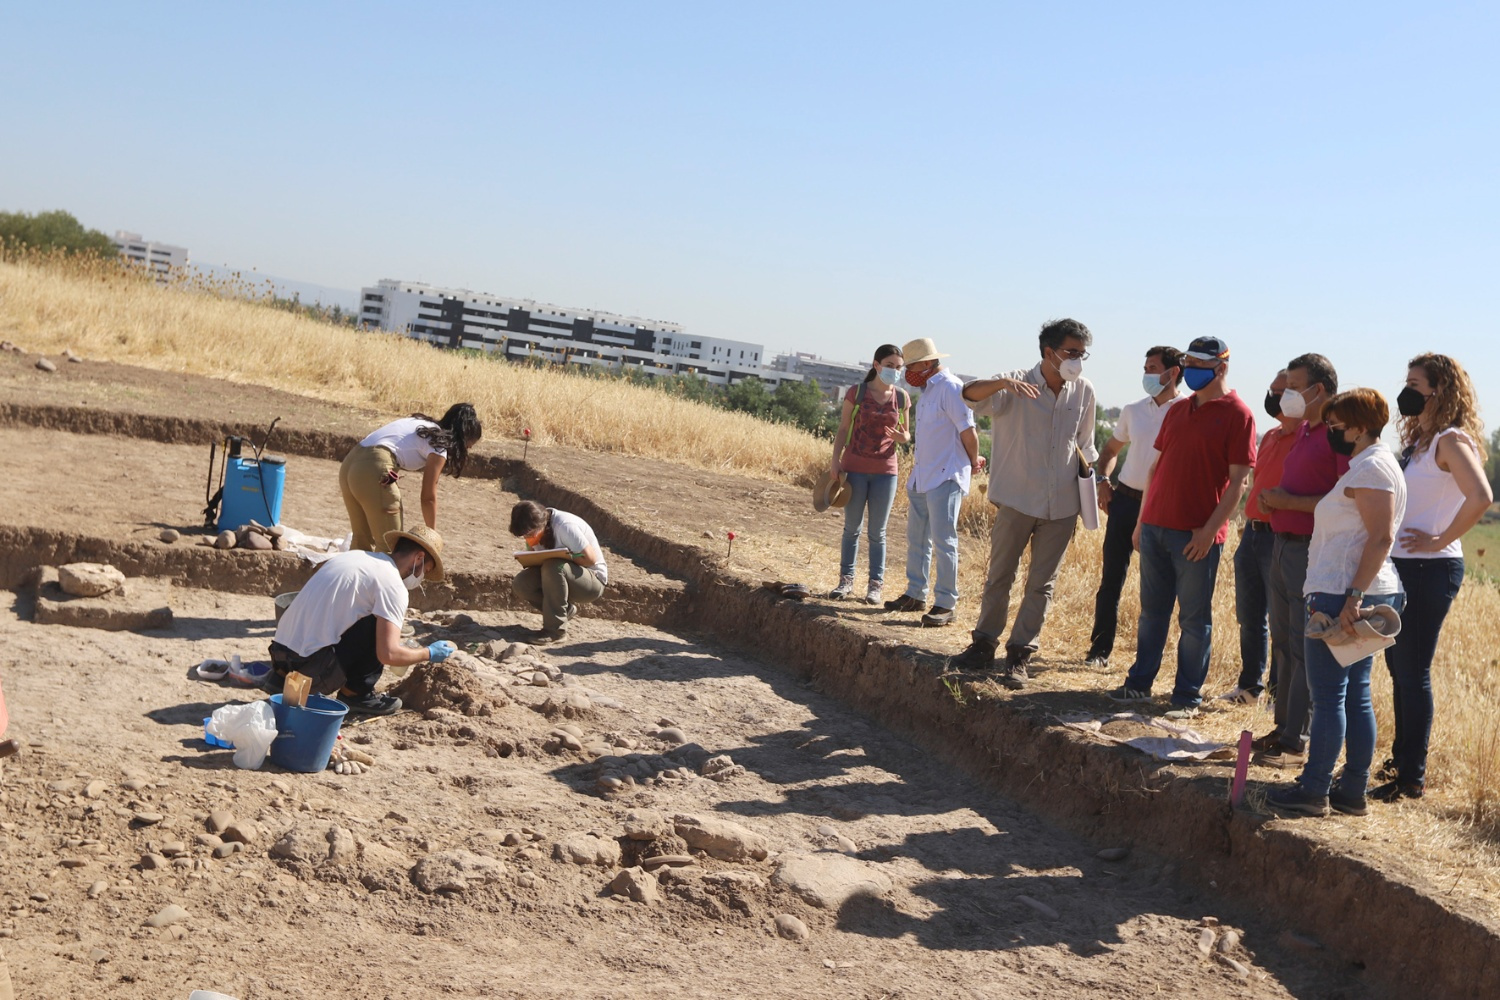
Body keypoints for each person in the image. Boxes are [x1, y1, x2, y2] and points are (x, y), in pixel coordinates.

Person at [1268, 389, 1407, 817]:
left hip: (1342, 595)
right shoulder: (1368, 465)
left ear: (1361, 428)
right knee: (1352, 694)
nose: (1330, 434)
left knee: (1330, 695)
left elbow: (1380, 538)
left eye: (1336, 427)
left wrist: (1353, 597)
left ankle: (1314, 789)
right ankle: (1350, 792)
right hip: (1348, 591)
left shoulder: (1373, 469)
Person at [1108, 336, 1256, 716]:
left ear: (1221, 368)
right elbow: (1156, 469)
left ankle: (1187, 696)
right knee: (1151, 613)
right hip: (1155, 526)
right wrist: (1142, 523)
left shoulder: (1239, 414)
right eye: (1188, 363)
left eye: (1199, 365)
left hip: (1195, 536)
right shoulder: (1178, 410)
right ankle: (1139, 685)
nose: (1190, 371)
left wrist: (1209, 532)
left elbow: (1239, 481)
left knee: (1194, 619)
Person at [949, 319, 1099, 687]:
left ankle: (1019, 654)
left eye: (1082, 354)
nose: (1077, 361)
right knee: (1001, 575)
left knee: (1042, 584)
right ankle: (983, 645)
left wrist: (1092, 489)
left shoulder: (1084, 391)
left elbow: (1086, 445)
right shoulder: (1013, 383)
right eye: (1071, 353)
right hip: (1017, 500)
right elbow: (968, 395)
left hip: (1062, 505)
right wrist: (1003, 383)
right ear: (1049, 352)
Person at [1374, 354, 1491, 801]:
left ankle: (1411, 778)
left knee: (1412, 668)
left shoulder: (1449, 439)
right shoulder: (1421, 441)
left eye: (1415, 383)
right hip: (1404, 566)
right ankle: (1401, 762)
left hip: (1431, 568)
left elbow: (1481, 496)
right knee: (1397, 666)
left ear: (1439, 390)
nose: (1407, 389)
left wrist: (1441, 538)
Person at [1251, 355, 1346, 769]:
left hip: (1311, 549)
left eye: (1293, 386)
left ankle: (1296, 740)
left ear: (1318, 390)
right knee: (1287, 644)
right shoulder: (1305, 430)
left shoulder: (1337, 436)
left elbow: (1347, 498)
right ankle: (1284, 729)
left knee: (1304, 647)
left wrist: (1289, 502)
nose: (1285, 395)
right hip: (1282, 544)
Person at [268, 525, 454, 716]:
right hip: (311, 672)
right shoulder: (393, 585)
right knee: (378, 621)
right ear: (419, 558)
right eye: (425, 570)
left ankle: (280, 679)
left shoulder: (354, 556)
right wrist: (428, 653)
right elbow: (388, 654)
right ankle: (357, 693)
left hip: (279, 656)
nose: (420, 578)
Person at [1081, 345, 1186, 672]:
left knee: (1159, 591)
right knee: (1111, 579)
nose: (1146, 374)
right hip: (1125, 501)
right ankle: (1099, 651)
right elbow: (1111, 449)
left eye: (1153, 367)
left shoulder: (1186, 412)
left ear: (1173, 373)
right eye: (1146, 367)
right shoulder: (1132, 410)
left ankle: (1150, 663)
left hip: (1163, 508)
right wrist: (1102, 480)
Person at [883, 337, 983, 627]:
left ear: (927, 364)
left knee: (944, 542)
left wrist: (972, 462)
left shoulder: (950, 389)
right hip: (922, 476)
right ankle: (915, 593)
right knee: (917, 540)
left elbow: (969, 432)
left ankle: (945, 603)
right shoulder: (928, 391)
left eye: (912, 365)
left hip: (945, 475)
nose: (908, 371)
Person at [1218, 370, 1300, 705]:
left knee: (1281, 624)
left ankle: (1278, 698)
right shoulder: (1269, 437)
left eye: (1283, 391)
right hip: (1252, 534)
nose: (1275, 397)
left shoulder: (1308, 440)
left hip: (1281, 538)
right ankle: (1250, 687)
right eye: (1273, 390)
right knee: (1249, 617)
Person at [827, 344, 912, 605]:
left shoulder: (902, 397)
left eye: (899, 368)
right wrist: (835, 461)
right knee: (852, 528)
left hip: (886, 472)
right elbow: (843, 429)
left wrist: (903, 437)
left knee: (878, 532)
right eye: (890, 366)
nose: (895, 371)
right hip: (854, 469)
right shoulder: (857, 392)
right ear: (876, 365)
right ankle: (846, 581)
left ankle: (875, 586)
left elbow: (907, 433)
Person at [341, 403, 483, 552]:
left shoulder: (420, 424)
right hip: (372, 468)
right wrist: (431, 535)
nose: (468, 450)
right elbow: (428, 497)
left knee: (362, 542)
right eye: (467, 446)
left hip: (349, 465)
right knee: (391, 547)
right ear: (461, 439)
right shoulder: (439, 445)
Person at [509, 500, 608, 644]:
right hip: (556, 576)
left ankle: (555, 631)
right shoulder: (535, 531)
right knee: (522, 583)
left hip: (590, 583)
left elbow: (590, 559)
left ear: (540, 524)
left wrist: (565, 558)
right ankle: (565, 611)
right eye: (524, 536)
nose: (527, 538)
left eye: (529, 534)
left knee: (554, 566)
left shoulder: (565, 526)